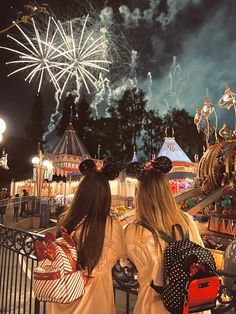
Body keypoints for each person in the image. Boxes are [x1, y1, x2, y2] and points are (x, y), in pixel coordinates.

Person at [125, 157, 210, 314]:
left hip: (152, 306)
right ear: (167, 192)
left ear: (141, 195)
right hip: (189, 304)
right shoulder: (186, 221)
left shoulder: (133, 231)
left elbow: (125, 262)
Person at [47, 159, 125, 314]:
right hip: (94, 303)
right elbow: (122, 255)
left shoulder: (67, 220)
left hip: (61, 299)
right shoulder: (110, 227)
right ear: (105, 196)